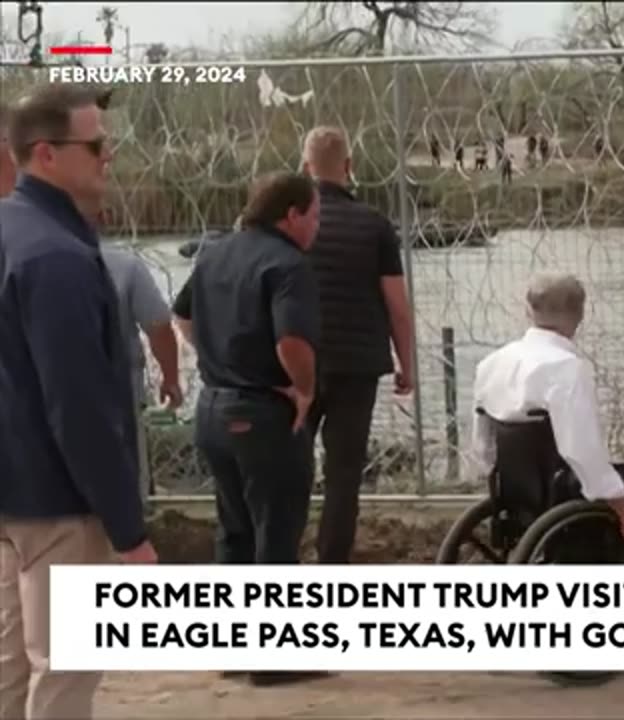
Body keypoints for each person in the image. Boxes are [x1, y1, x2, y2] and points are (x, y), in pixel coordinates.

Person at [0, 83, 158, 720]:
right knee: (63, 675)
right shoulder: (56, 256)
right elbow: (81, 408)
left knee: (9, 668)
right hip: (59, 503)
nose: (108, 157)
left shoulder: (15, 234)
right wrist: (129, 530)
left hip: (9, 494)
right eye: (95, 146)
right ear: (46, 154)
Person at [171, 172, 327, 687]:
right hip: (261, 412)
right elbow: (292, 342)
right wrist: (303, 389)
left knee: (233, 532)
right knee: (276, 534)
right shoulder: (288, 265)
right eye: (315, 214)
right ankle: (275, 658)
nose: (318, 225)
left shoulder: (216, 251)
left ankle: (234, 647)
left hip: (213, 409)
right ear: (291, 215)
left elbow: (182, 315)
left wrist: (219, 357)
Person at [471, 273, 624, 561]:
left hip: (518, 496)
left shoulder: (491, 364)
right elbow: (582, 454)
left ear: (528, 310)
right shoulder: (566, 369)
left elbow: (484, 451)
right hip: (568, 492)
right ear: (580, 314)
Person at [300, 126, 414, 564]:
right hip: (357, 365)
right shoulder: (374, 225)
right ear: (348, 167)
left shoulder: (288, 223)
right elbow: (397, 306)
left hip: (296, 363)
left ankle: (280, 551)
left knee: (292, 465)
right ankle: (332, 561)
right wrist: (407, 364)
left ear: (305, 167)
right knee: (344, 473)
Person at [99, 246, 183, 411]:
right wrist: (171, 379)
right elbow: (158, 326)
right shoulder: (124, 265)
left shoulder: (37, 261)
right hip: (121, 394)